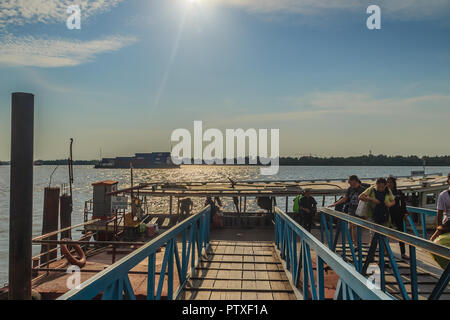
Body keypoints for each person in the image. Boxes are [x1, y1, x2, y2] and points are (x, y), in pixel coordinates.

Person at [329, 175, 368, 247]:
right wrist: (335, 204)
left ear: (355, 181)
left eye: (350, 181)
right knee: (350, 228)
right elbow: (345, 198)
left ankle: (356, 243)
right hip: (351, 210)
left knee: (357, 227)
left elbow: (367, 200)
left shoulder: (363, 189)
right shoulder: (350, 189)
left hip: (360, 211)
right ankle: (354, 243)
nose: (348, 182)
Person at [387, 176, 409, 259]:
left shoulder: (398, 192)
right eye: (388, 182)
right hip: (388, 214)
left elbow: (403, 203)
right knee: (387, 232)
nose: (389, 184)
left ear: (394, 183)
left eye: (391, 182)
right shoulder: (385, 192)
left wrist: (405, 213)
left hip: (398, 214)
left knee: (401, 233)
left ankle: (403, 253)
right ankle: (386, 250)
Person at [430, 173, 450, 241]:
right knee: (434, 239)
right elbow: (440, 213)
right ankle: (431, 241)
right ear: (448, 181)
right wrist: (439, 227)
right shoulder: (443, 195)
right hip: (447, 221)